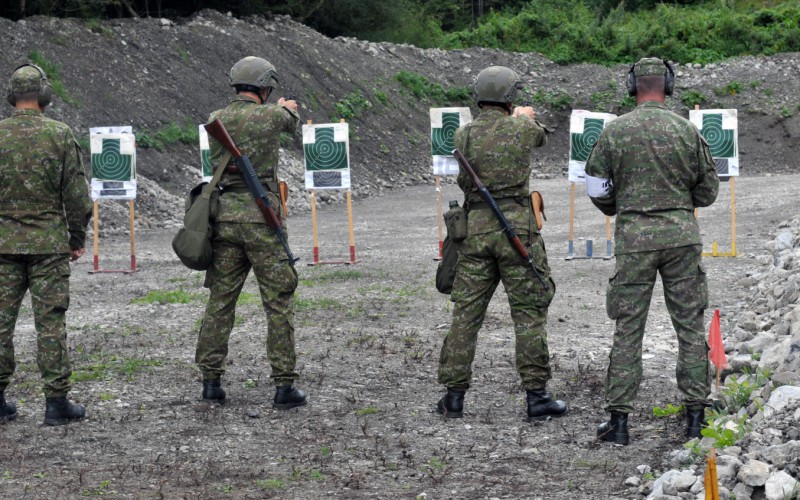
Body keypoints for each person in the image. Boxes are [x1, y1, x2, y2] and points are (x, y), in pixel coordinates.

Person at [584, 57, 719, 445]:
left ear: (632, 86)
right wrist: (678, 204)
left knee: (628, 328)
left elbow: (595, 183)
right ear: (669, 85)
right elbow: (708, 192)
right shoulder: (687, 131)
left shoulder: (615, 131)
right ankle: (695, 417)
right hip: (680, 237)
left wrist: (617, 207)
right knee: (690, 327)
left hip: (633, 240)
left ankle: (619, 423)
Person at [436, 66, 567, 421]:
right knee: (528, 314)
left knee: (466, 314)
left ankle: (454, 396)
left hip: (474, 230)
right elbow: (540, 135)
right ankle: (536, 396)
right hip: (516, 230)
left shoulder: (463, 134)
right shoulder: (523, 127)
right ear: (509, 98)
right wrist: (525, 115)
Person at [195, 56, 306, 409]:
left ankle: (210, 381)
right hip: (262, 220)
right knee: (278, 302)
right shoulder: (272, 114)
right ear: (265, 87)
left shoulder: (217, 118)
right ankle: (283, 385)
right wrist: (286, 106)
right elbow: (291, 122)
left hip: (225, 219)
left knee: (220, 302)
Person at [0, 64, 92, 425]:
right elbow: (77, 195)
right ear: (43, 95)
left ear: (12, 95)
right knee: (50, 322)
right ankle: (56, 403)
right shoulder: (60, 133)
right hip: (49, 247)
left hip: (3, 245)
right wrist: (76, 237)